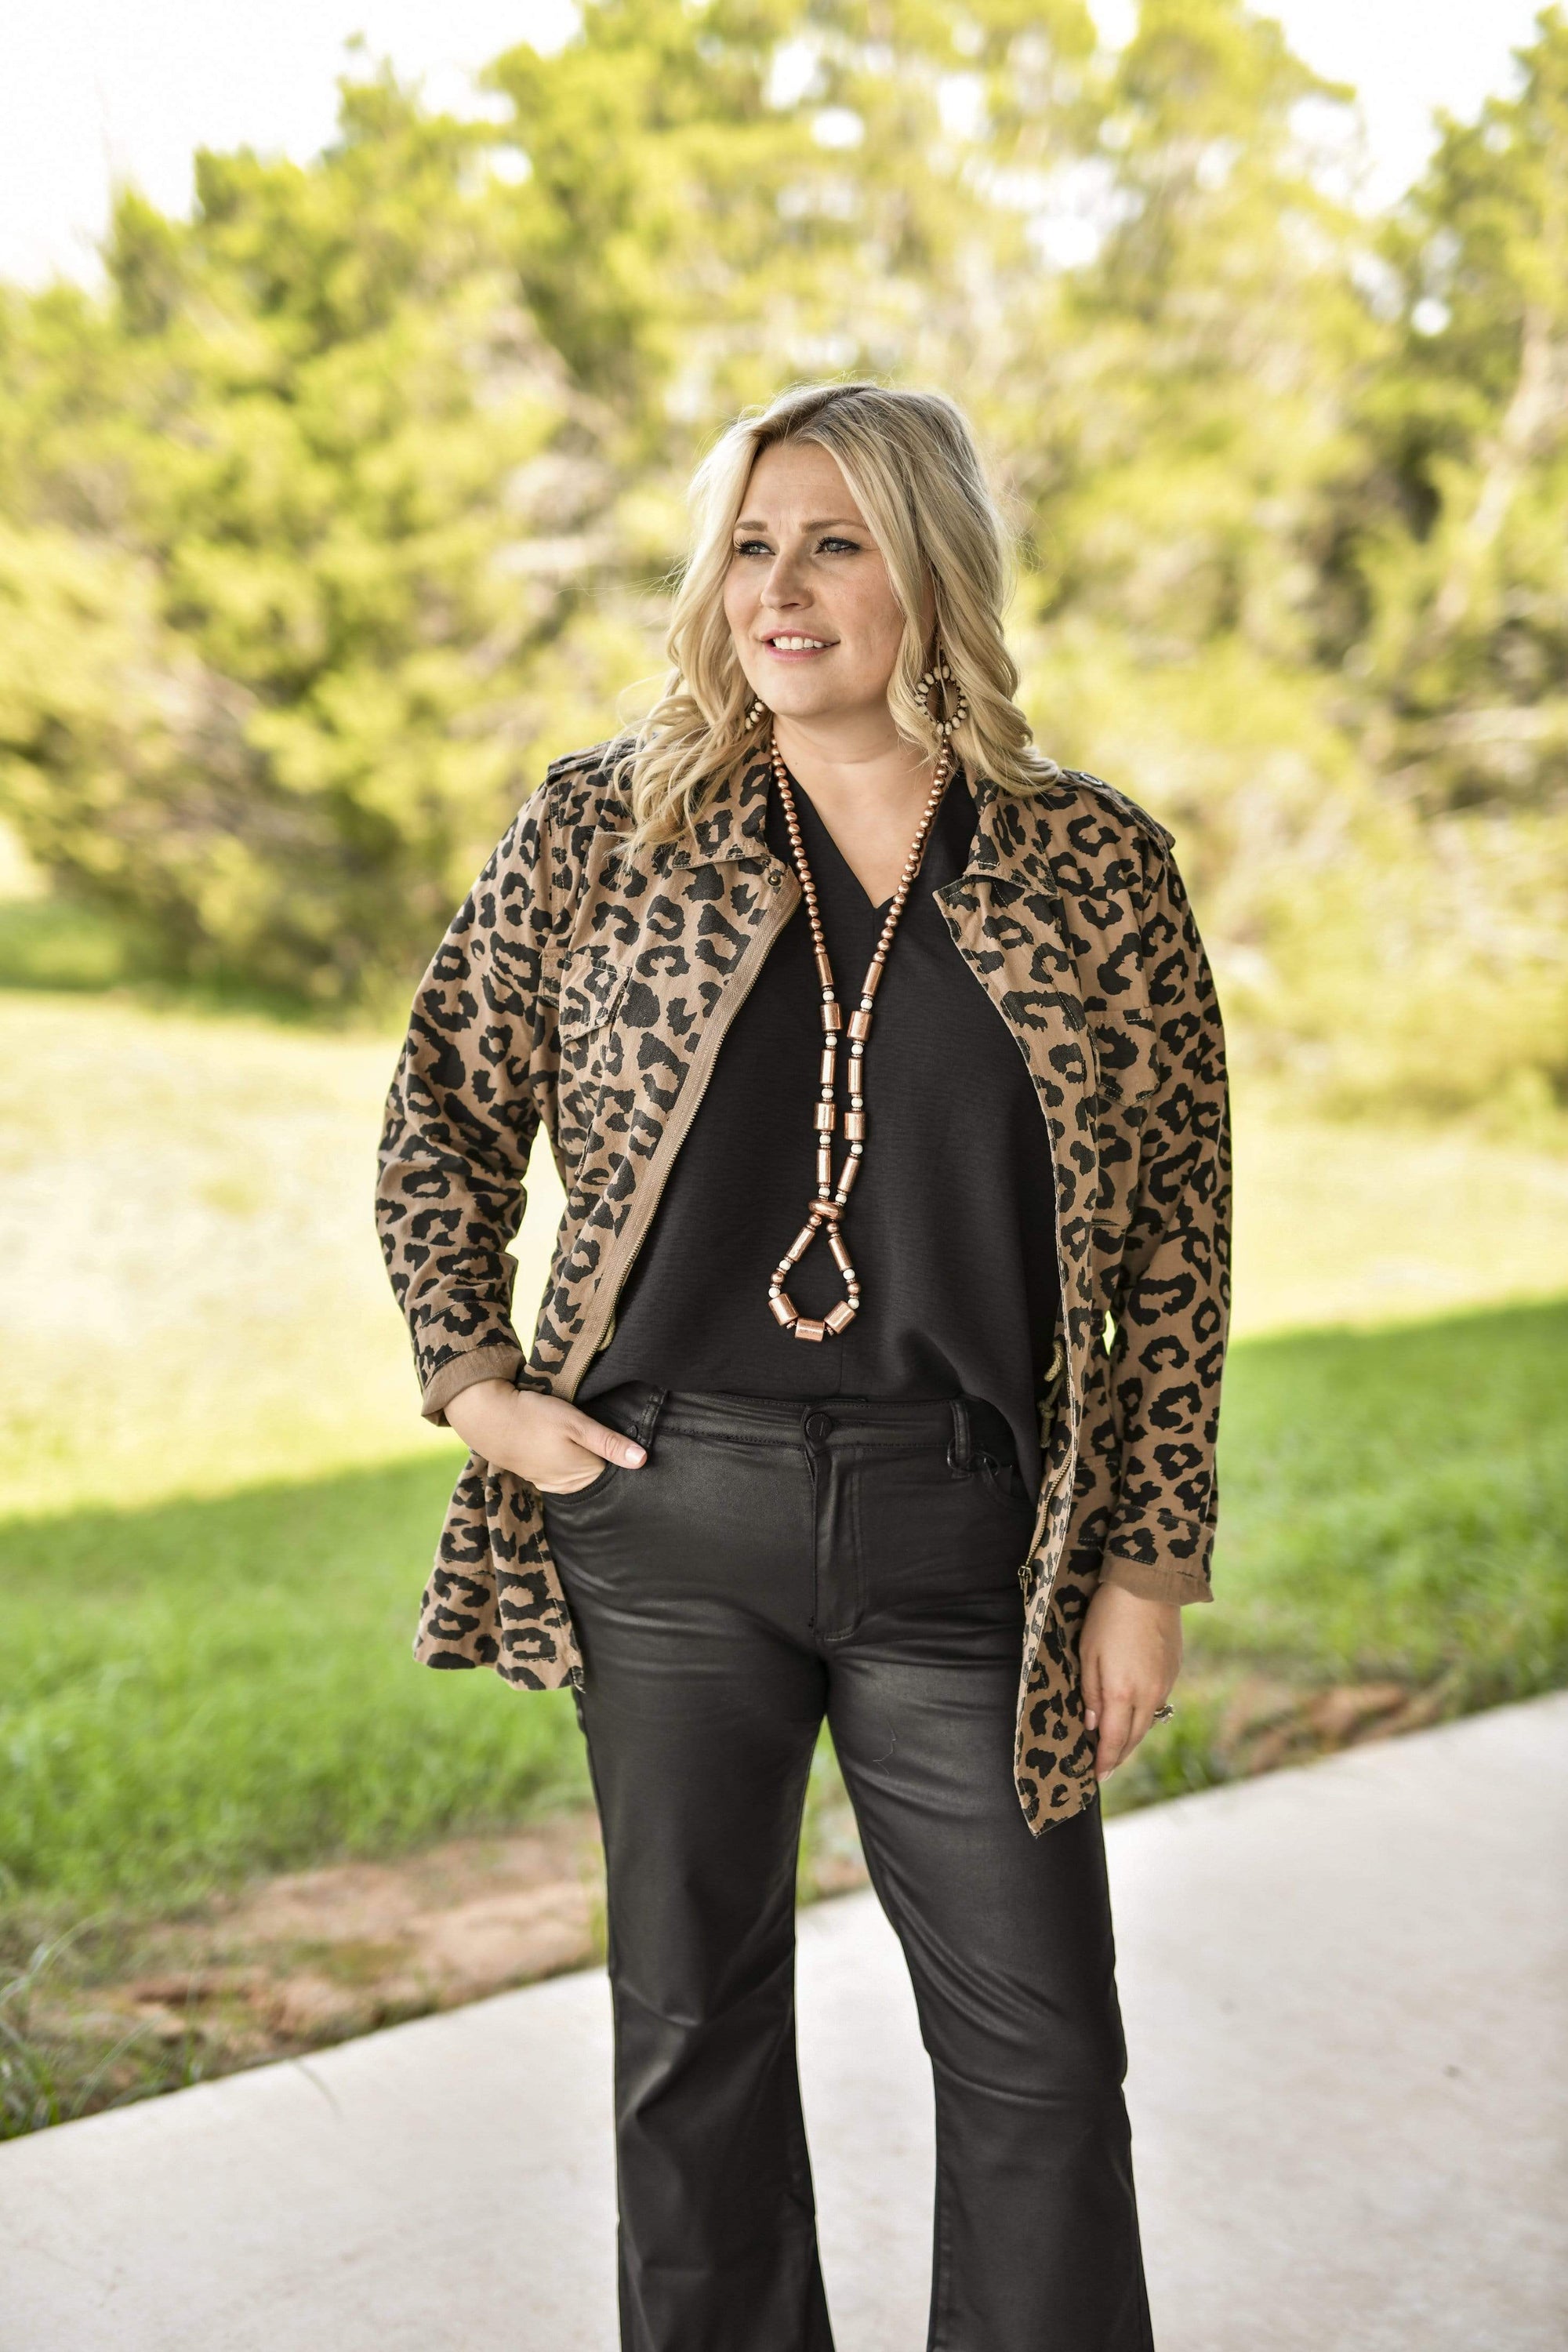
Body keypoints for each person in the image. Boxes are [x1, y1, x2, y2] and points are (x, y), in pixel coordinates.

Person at [376, 379, 1231, 2352]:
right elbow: (441, 1110)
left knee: (1040, 2057)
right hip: (664, 1519)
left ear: (928, 570)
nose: (779, 589)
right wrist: (480, 1387)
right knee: (692, 2038)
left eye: (833, 543)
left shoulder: (1090, 866)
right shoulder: (608, 828)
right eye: (750, 547)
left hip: (969, 1538)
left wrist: (1145, 1562)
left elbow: (1178, 1242)